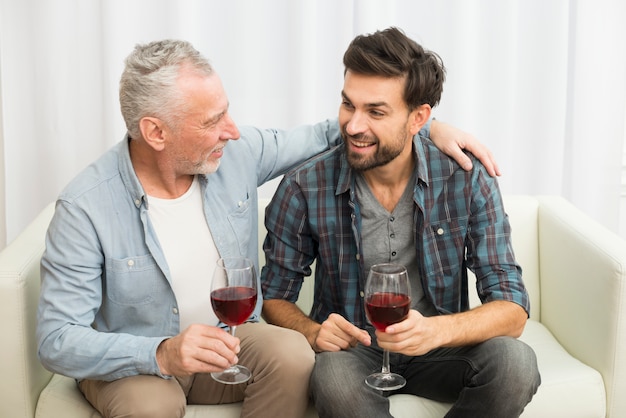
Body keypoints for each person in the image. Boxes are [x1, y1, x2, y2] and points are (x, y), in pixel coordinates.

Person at [36, 39, 499, 418]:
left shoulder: (235, 156)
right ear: (156, 132)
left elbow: (343, 131)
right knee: (150, 406)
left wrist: (428, 125)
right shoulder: (85, 208)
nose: (232, 131)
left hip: (232, 336)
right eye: (213, 121)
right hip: (139, 359)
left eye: (227, 112)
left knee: (293, 357)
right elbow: (56, 340)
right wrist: (161, 353)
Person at [261, 27, 541, 418]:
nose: (354, 126)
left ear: (419, 118)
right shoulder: (304, 185)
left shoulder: (466, 178)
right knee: (333, 380)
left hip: (439, 349)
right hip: (353, 352)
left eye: (376, 112)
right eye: (348, 105)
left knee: (516, 364)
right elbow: (272, 297)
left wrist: (436, 331)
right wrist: (312, 331)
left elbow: (512, 307)